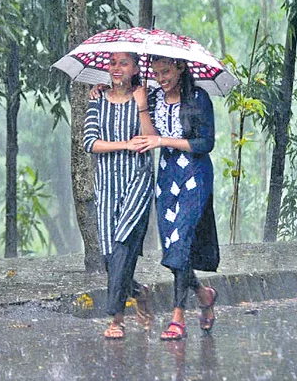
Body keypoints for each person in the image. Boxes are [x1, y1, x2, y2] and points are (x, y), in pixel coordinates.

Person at [138, 55, 220, 340]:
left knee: (182, 239)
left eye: (166, 71)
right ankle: (203, 293)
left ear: (181, 66)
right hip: (166, 176)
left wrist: (164, 141)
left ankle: (177, 316)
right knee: (173, 244)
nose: (161, 78)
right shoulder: (153, 97)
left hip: (195, 175)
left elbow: (205, 143)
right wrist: (138, 104)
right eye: (156, 72)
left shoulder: (199, 98)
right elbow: (148, 135)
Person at [83, 52, 155, 339]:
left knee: (124, 243)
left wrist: (142, 107)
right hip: (107, 183)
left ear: (135, 68)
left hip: (138, 179)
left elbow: (151, 139)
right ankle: (139, 291)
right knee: (108, 255)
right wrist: (125, 144)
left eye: (123, 63)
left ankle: (116, 318)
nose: (116, 68)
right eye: (112, 63)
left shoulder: (145, 97)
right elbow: (90, 143)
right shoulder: (97, 98)